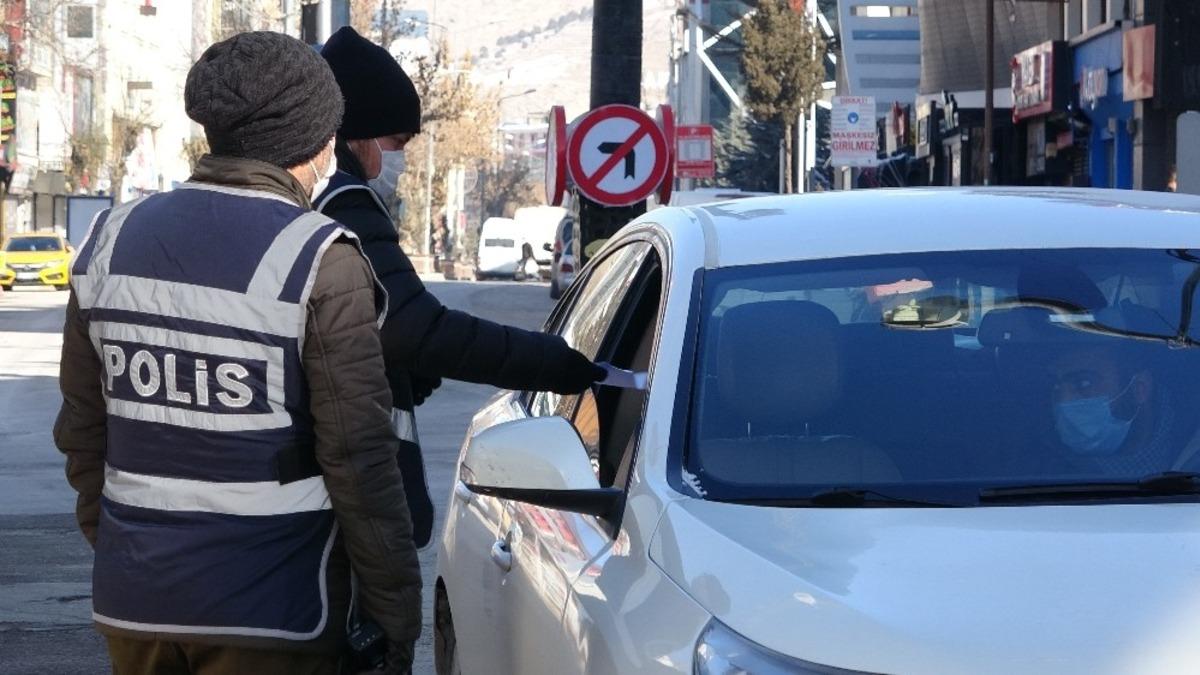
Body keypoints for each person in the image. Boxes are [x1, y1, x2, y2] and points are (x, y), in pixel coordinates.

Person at [54, 32, 419, 674]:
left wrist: (124, 549)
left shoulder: (109, 239)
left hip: (138, 604)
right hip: (275, 611)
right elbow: (359, 458)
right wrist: (394, 614)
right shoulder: (318, 259)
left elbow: (84, 434)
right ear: (317, 140)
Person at [317, 27, 605, 548]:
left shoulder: (333, 202)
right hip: (346, 508)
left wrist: (405, 374)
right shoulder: (345, 207)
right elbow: (414, 328)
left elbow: (371, 332)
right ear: (355, 137)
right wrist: (557, 363)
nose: (400, 160)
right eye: (397, 144)